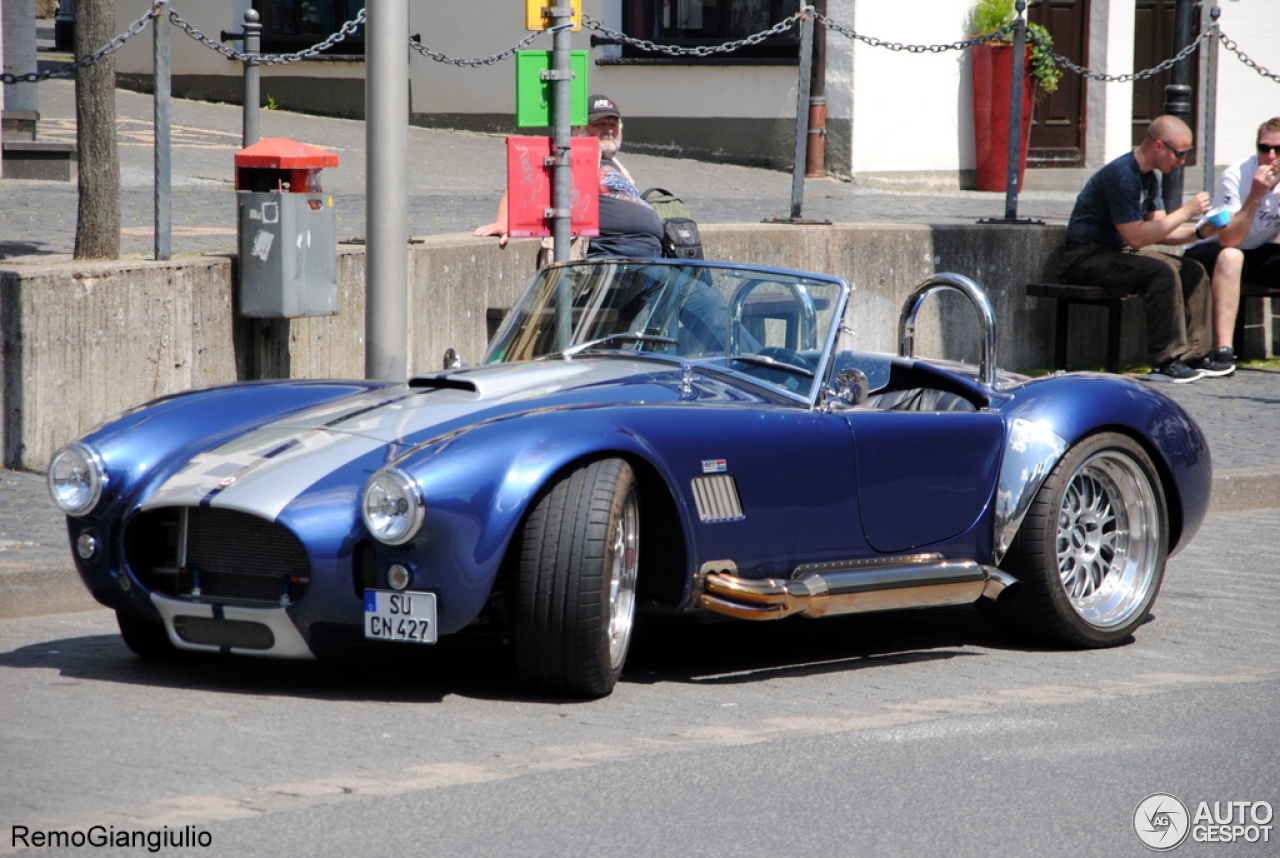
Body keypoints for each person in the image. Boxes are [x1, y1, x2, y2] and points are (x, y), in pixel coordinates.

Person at [1062, 115, 1229, 382]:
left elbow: (1160, 230)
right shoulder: (1123, 175)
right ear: (1158, 146)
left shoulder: (1150, 177)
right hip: (1084, 257)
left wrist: (1199, 232)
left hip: (1113, 254)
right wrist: (1186, 211)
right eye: (1180, 154)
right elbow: (1137, 238)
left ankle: (1195, 355)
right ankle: (1164, 362)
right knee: (1160, 271)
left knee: (1192, 269)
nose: (1182, 161)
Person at [473, 94, 665, 260]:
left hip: (652, 251)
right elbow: (524, 181)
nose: (608, 130)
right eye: (599, 124)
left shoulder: (617, 166)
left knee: (692, 296)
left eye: (613, 125)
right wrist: (503, 223)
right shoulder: (572, 155)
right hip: (612, 254)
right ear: (577, 129)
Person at [1182, 116, 1280, 371]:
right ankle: (1224, 352)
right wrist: (1256, 195)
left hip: (1255, 250)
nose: (1270, 156)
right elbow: (1228, 238)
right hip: (1209, 248)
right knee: (1231, 255)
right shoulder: (1236, 175)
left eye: (1278, 150)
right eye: (1264, 148)